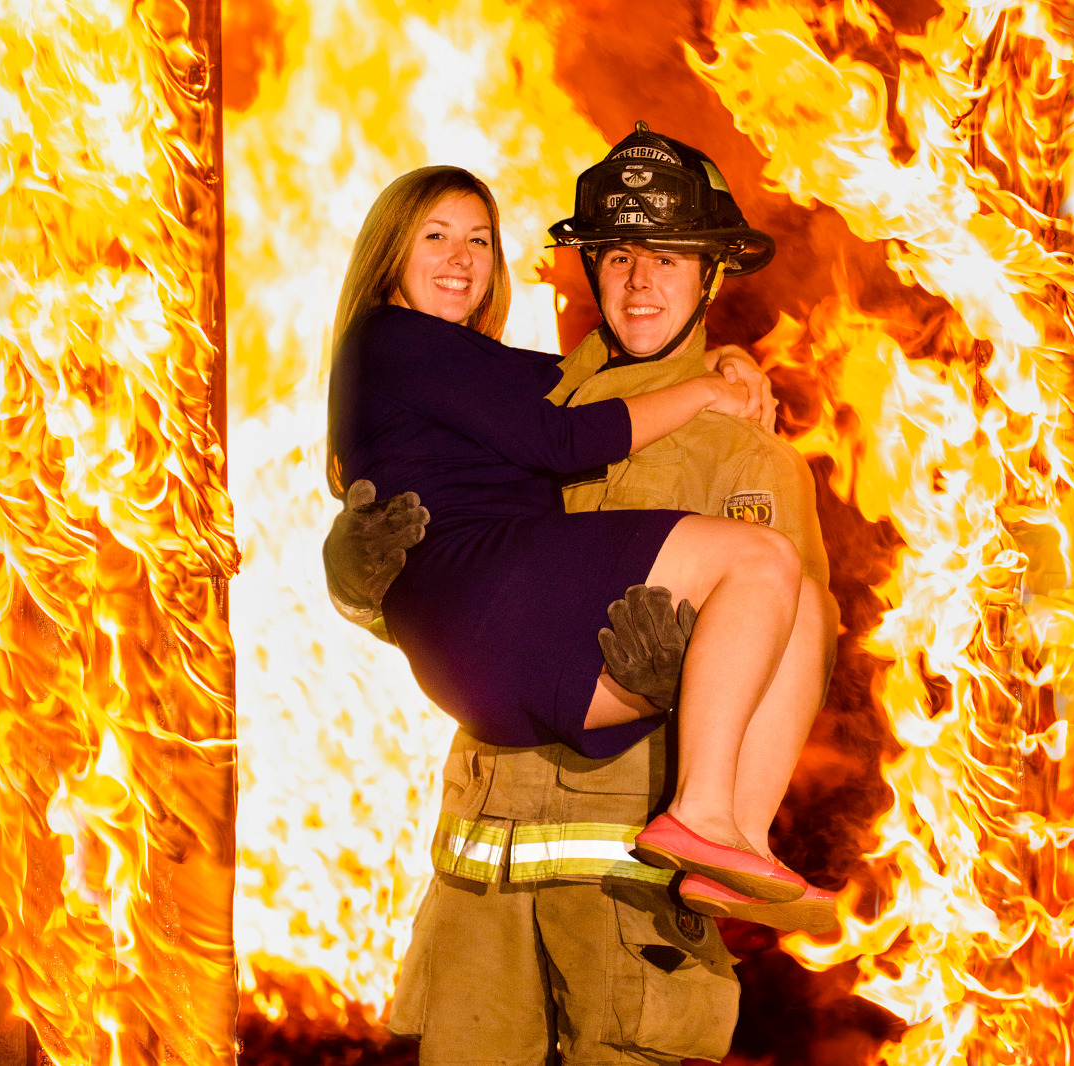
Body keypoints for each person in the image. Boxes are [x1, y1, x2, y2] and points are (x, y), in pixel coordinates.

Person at [328, 127, 839, 1065]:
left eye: (670, 258)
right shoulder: (532, 399)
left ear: (712, 277)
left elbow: (796, 639)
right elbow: (456, 585)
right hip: (482, 875)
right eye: (617, 256)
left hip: (632, 895)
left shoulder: (745, 452)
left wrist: (679, 679)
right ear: (589, 270)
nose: (641, 282)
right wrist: (356, 583)